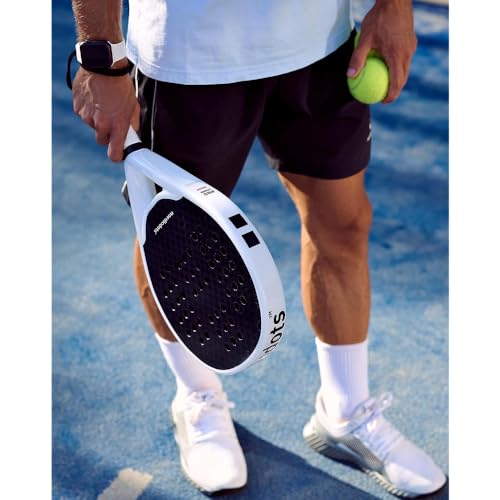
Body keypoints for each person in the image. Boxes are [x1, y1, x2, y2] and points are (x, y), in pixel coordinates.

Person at [70, 0, 446, 496]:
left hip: (321, 42)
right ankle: (198, 397)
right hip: (190, 57)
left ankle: (345, 410)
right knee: (172, 238)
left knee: (344, 224)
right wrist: (101, 58)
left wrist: (393, 5)